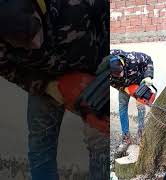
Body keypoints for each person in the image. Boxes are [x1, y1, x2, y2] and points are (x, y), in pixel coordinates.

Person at [0, 0, 108, 179]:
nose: (35, 44)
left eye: (33, 32)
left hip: (93, 77)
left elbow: (107, 23)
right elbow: (8, 69)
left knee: (101, 144)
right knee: (40, 145)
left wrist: (100, 85)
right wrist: (51, 88)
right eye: (23, 42)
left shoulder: (75, 6)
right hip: (44, 79)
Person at [109, 49, 154, 153]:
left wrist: (148, 76)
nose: (120, 75)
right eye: (116, 74)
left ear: (122, 63)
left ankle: (141, 134)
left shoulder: (133, 58)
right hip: (123, 87)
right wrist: (123, 88)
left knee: (141, 107)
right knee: (122, 108)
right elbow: (111, 82)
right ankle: (126, 137)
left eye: (120, 71)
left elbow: (148, 60)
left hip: (139, 82)